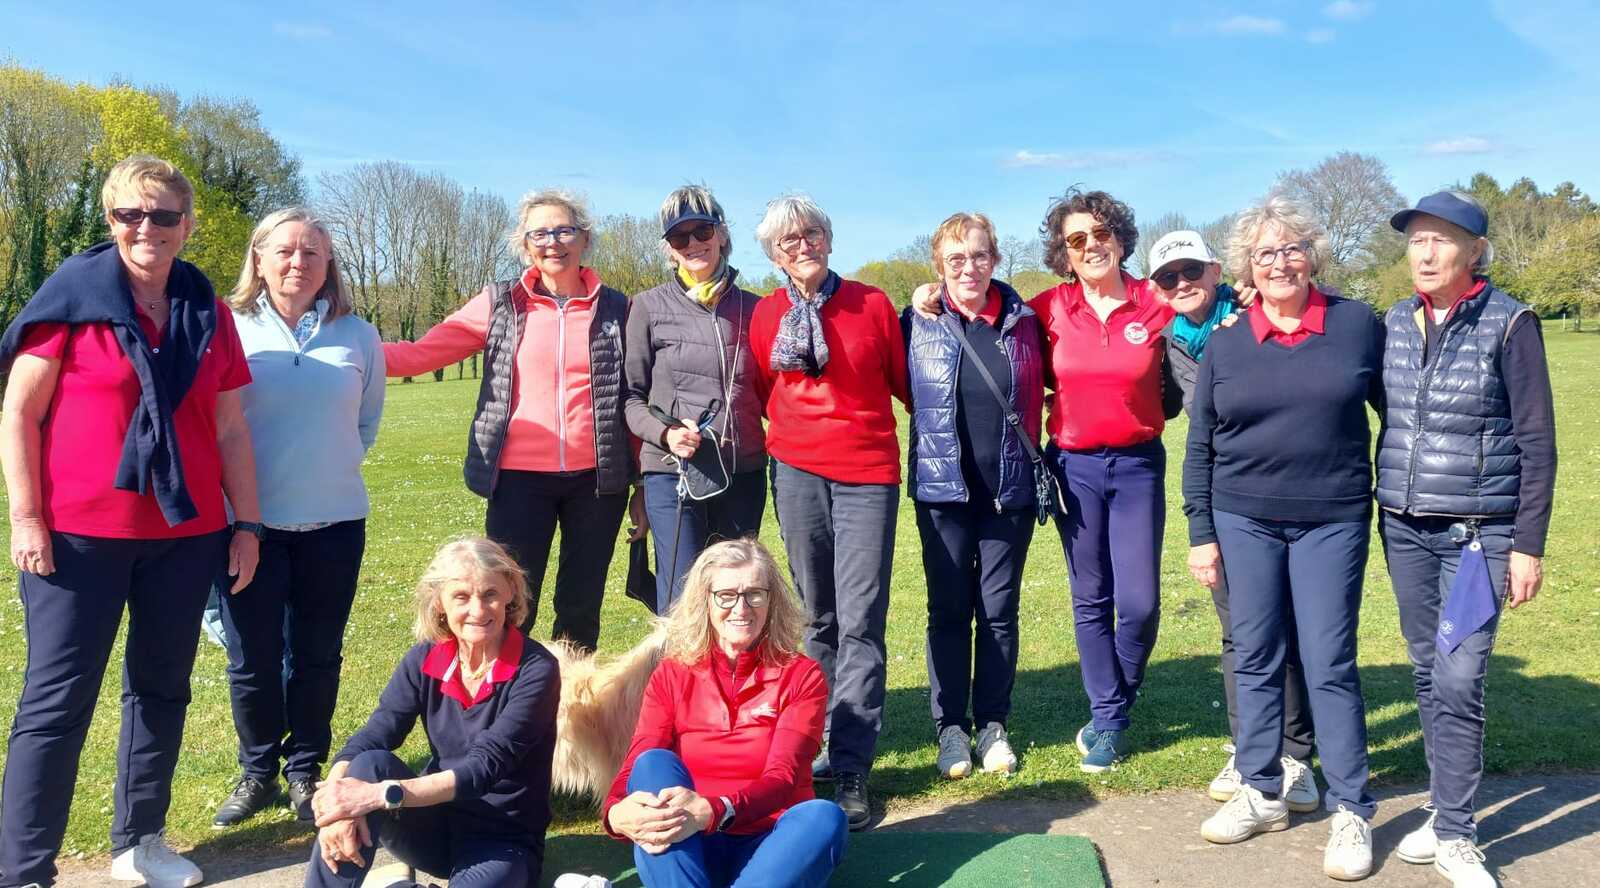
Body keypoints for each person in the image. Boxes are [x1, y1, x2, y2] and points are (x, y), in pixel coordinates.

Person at [0, 154, 261, 888]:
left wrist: (248, 524)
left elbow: (230, 426)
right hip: (78, 537)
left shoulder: (207, 311)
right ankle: (23, 868)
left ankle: (139, 842)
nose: (147, 227)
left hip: (186, 536)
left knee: (162, 688)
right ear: (111, 218)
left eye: (164, 215)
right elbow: (18, 412)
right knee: (57, 699)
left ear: (187, 225)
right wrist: (26, 517)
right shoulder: (72, 299)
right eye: (130, 214)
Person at [1183, 196, 1383, 881]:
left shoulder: (1357, 325)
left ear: (1312, 255)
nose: (1279, 263)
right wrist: (1201, 531)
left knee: (1328, 662)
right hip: (1244, 518)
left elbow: (1400, 415)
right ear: (1247, 267)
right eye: (1264, 253)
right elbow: (1201, 444)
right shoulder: (1228, 341)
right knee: (1256, 655)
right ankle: (1262, 789)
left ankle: (1352, 807)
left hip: (1333, 517)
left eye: (1291, 249)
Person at [1377, 191, 1556, 888]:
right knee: (1427, 670)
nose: (1425, 254)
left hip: (1477, 537)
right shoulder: (1395, 322)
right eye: (1416, 240)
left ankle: (1456, 834)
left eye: (1441, 240)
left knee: (1459, 676)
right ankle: (1442, 804)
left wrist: (1528, 545)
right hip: (1404, 526)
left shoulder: (1511, 323)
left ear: (1475, 251)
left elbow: (1538, 442)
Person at [383, 190, 642, 653]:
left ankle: (569, 694)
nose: (552, 242)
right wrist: (350, 351)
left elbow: (635, 396)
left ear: (584, 239)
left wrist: (641, 484)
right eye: (539, 234)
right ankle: (505, 691)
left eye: (564, 231)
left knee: (581, 605)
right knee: (510, 604)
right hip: (518, 481)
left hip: (598, 481)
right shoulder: (499, 303)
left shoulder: (619, 309)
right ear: (525, 245)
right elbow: (422, 353)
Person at [211, 207, 387, 828]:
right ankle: (257, 770)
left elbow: (365, 423)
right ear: (258, 259)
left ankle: (305, 768)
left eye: (312, 252)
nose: (298, 262)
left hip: (334, 526)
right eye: (284, 250)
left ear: (327, 264)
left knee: (317, 655)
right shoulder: (227, 327)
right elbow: (214, 423)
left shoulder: (358, 335)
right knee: (251, 658)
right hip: (248, 527)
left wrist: (322, 469)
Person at [749, 194, 909, 829]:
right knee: (817, 618)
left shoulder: (871, 305)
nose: (802, 246)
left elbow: (905, 382)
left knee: (861, 620)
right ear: (773, 254)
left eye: (811, 233)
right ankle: (811, 748)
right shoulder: (765, 314)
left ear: (829, 238)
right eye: (788, 240)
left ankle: (851, 765)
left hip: (867, 475)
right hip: (796, 474)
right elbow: (764, 390)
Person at [1149, 230, 1319, 812]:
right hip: (1225, 498)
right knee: (1240, 630)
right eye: (1167, 278)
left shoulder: (1255, 311)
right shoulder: (1169, 341)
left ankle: (1296, 754)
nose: (1181, 284)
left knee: (1288, 628)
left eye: (1191, 271)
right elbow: (1166, 408)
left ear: (1217, 271)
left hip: (1292, 491)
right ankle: (1251, 747)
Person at [304, 537, 559, 888]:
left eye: (490, 594)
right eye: (461, 597)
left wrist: (377, 795)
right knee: (368, 765)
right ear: (439, 602)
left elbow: (482, 769)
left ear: (511, 592)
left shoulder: (537, 669)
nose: (478, 610)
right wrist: (335, 800)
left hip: (502, 839)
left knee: (368, 786)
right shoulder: (424, 659)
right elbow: (377, 733)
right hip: (430, 826)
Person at [600, 539, 847, 888]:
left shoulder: (801, 675)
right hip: (689, 843)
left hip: (770, 840)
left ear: (772, 600)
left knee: (824, 817)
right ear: (705, 601)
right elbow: (637, 761)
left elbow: (783, 777)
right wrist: (614, 812)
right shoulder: (672, 673)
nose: (741, 608)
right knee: (652, 764)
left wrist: (717, 810)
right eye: (726, 595)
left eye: (755, 594)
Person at [902, 212, 1044, 779]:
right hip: (942, 494)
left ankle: (992, 724)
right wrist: (919, 300)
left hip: (1009, 492)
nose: (969, 268)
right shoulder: (915, 322)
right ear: (938, 266)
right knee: (948, 611)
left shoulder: (1026, 322)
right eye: (955, 259)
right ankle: (951, 730)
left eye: (979, 256)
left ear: (996, 259)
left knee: (999, 613)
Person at [623, 185, 767, 614]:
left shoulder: (755, 309)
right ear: (669, 249)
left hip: (742, 474)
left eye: (701, 231)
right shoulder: (647, 307)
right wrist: (665, 434)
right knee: (683, 602)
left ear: (721, 234)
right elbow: (631, 398)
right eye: (678, 236)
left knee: (736, 599)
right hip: (675, 475)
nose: (692, 244)